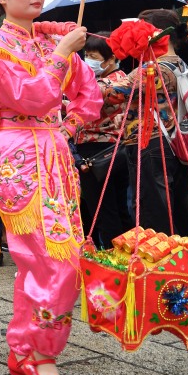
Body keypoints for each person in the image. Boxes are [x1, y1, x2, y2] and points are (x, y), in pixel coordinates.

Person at [0, 0, 101, 375]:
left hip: (55, 155)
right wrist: (63, 52)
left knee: (48, 259)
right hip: (19, 157)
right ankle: (41, 354)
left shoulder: (50, 43)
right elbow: (33, 97)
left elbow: (89, 95)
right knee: (52, 260)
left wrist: (69, 126)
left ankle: (26, 348)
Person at [118, 8, 188, 247]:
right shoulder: (181, 65)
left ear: (156, 34)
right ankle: (186, 260)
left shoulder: (154, 68)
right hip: (176, 143)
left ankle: (162, 262)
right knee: (179, 210)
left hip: (152, 144)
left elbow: (112, 92)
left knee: (154, 213)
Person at [74, 32, 131, 249]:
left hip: (97, 151)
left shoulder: (110, 83)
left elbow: (88, 101)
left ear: (110, 59)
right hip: (114, 150)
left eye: (93, 56)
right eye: (86, 55)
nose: (88, 60)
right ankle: (125, 253)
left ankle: (112, 257)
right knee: (117, 208)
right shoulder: (120, 79)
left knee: (103, 210)